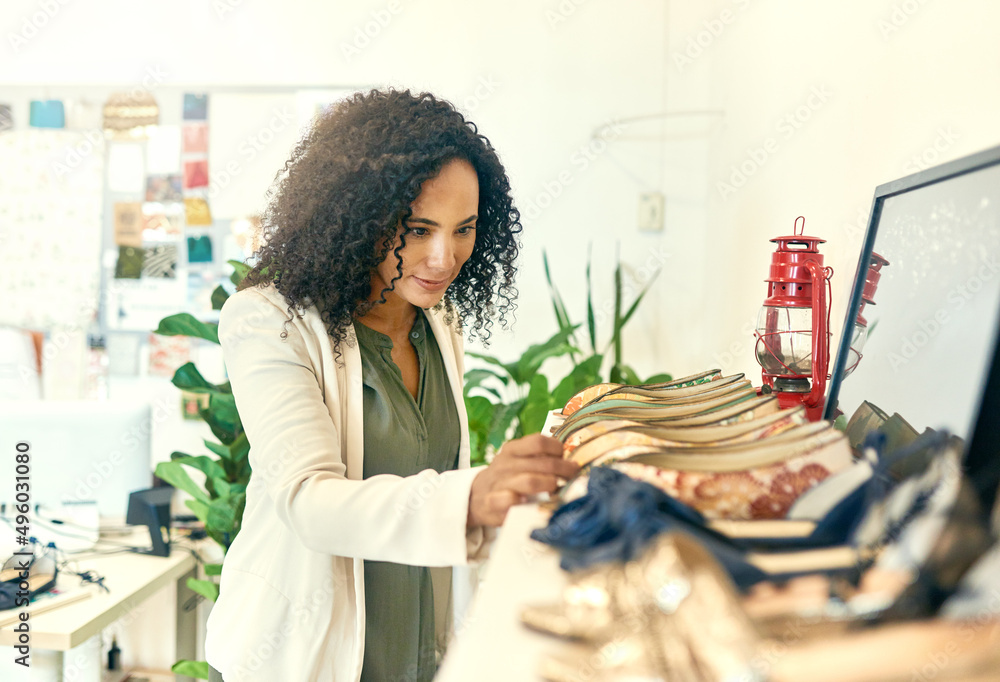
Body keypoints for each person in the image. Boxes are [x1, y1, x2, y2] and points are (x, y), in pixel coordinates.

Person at [204, 89, 578, 682]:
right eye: (418, 228)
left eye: (464, 229)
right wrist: (474, 494)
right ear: (355, 216)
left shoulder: (436, 318)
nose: (443, 257)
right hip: (304, 656)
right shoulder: (269, 320)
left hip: (417, 648)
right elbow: (307, 500)